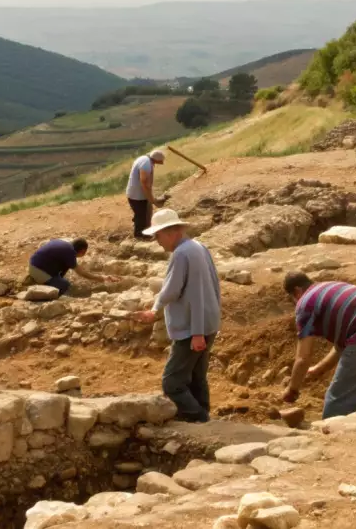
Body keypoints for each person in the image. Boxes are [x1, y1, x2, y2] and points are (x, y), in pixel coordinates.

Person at [132, 209, 221, 423]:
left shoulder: (181, 254)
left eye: (158, 236)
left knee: (172, 382)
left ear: (171, 232)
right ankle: (203, 418)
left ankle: (198, 417)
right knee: (196, 376)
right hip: (207, 324)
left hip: (191, 329)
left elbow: (171, 290)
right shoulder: (199, 247)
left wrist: (154, 310)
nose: (157, 241)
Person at [281, 272, 356, 419]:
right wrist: (318, 369)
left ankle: (333, 437)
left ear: (297, 291)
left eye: (293, 299)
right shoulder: (327, 288)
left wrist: (292, 390)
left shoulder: (305, 303)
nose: (295, 303)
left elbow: (303, 357)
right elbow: (342, 346)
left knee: (338, 400)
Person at [28, 237, 115, 295]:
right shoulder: (69, 252)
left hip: (35, 264)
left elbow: (68, 266)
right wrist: (102, 278)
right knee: (65, 285)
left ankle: (45, 280)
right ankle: (46, 293)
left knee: (62, 275)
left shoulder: (66, 245)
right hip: (38, 270)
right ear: (83, 251)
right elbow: (82, 273)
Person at [126, 150, 165, 239]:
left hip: (135, 193)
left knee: (141, 214)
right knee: (141, 216)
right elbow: (144, 182)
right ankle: (140, 235)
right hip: (137, 195)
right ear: (156, 160)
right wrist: (150, 198)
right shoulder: (146, 164)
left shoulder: (144, 159)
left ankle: (142, 231)